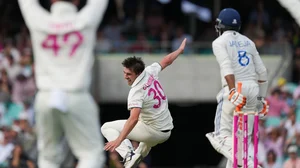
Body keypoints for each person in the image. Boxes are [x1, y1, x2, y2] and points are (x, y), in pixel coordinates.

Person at [17, 0, 108, 168]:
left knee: (48, 157)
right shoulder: (86, 19)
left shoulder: (38, 20)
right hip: (76, 94)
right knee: (91, 155)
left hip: (45, 96)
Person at [101, 38, 187, 168]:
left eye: (129, 74)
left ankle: (128, 155)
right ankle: (136, 156)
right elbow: (167, 61)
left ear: (138, 73)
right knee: (145, 131)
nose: (125, 77)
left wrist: (119, 140)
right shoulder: (149, 71)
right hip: (167, 129)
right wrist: (179, 51)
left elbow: (133, 119)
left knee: (106, 127)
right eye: (124, 72)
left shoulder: (136, 91)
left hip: (153, 132)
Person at [205, 8, 269, 168]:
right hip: (253, 91)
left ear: (220, 25)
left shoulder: (218, 42)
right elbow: (262, 72)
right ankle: (247, 162)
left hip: (235, 89)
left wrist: (233, 90)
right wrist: (261, 99)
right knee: (239, 143)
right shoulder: (249, 41)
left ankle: (252, 164)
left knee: (219, 136)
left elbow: (227, 67)